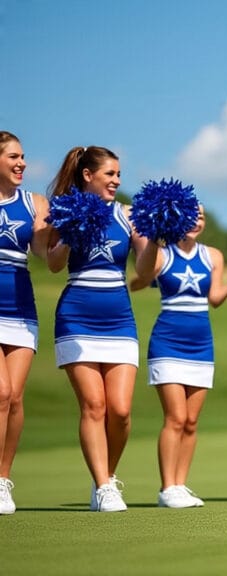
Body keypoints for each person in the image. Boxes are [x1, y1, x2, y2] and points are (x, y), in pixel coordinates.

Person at [46, 146, 153, 512]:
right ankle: (105, 486)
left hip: (119, 320)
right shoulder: (65, 211)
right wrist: (70, 235)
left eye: (119, 174)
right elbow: (54, 265)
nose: (117, 181)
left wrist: (154, 236)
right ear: (88, 176)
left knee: (120, 410)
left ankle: (105, 476)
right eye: (110, 174)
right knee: (94, 405)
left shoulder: (127, 216)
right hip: (76, 317)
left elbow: (145, 270)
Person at [130, 205, 227, 508]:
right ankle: (167, 488)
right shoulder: (162, 254)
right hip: (167, 342)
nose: (196, 221)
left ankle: (180, 484)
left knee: (191, 421)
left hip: (201, 345)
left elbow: (213, 299)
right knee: (175, 418)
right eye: (190, 215)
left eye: (201, 216)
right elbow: (139, 277)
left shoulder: (213, 256)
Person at [0, 132, 50, 515]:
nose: (22, 164)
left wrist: (67, 227)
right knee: (1, 393)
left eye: (23, 156)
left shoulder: (33, 203)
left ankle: (4, 480)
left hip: (21, 309)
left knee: (15, 397)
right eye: (14, 156)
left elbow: (44, 252)